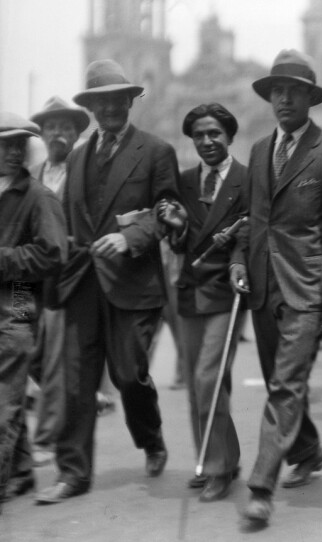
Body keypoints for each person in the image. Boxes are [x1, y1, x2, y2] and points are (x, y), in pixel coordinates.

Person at [35, 60, 180, 505]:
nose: (112, 108)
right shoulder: (77, 156)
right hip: (83, 282)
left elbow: (168, 210)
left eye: (119, 100)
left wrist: (130, 236)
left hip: (134, 284)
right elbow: (66, 218)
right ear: (92, 107)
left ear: (130, 102)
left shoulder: (155, 151)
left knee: (128, 375)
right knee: (78, 381)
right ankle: (72, 472)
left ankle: (151, 438)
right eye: (103, 102)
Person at [230, 49, 322, 524]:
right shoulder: (260, 150)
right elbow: (250, 219)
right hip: (262, 285)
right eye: (276, 91)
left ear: (309, 98)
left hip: (306, 288)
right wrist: (240, 259)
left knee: (283, 385)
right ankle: (309, 450)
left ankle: (261, 487)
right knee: (286, 382)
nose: (283, 99)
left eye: (293, 91)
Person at [157, 103, 246, 502]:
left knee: (209, 378)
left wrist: (238, 263)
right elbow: (180, 241)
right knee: (198, 383)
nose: (207, 141)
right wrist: (175, 229)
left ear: (229, 136)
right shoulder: (186, 181)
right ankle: (223, 457)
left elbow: (250, 234)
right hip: (191, 292)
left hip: (228, 292)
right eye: (199, 136)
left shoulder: (247, 180)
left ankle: (215, 469)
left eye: (214, 134)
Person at [0, 113, 67, 511]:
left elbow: (53, 253)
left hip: (21, 296)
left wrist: (4, 260)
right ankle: (22, 470)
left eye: (18, 145)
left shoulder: (38, 197)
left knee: (5, 396)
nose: (12, 152)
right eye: (4, 144)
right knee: (7, 393)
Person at [25, 96, 90, 468]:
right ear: (43, 133)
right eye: (52, 128)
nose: (58, 135)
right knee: (25, 351)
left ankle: (47, 438)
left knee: (51, 360)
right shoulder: (32, 175)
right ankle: (65, 406)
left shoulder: (81, 172)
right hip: (25, 284)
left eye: (66, 128)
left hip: (63, 282)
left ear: (75, 133)